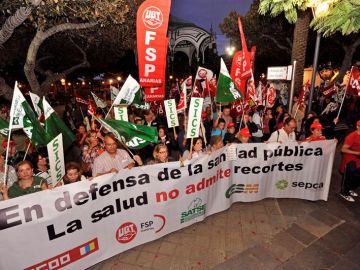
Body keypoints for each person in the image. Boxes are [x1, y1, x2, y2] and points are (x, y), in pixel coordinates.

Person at [339, 120, 360, 202]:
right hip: (350, 157)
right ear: (357, 126)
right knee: (350, 174)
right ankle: (344, 192)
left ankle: (350, 189)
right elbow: (343, 149)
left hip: (358, 158)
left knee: (358, 176)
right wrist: (357, 152)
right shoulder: (352, 136)